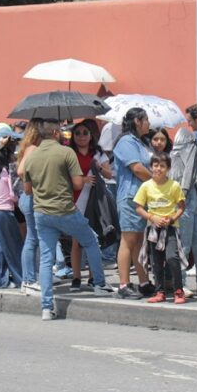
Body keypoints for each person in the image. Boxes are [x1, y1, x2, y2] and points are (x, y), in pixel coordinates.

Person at [23, 120, 115, 320]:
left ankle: (47, 307)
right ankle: (99, 284)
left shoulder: (31, 156)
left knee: (46, 259)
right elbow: (76, 184)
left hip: (42, 212)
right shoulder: (67, 153)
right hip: (65, 209)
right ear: (55, 132)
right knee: (90, 241)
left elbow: (27, 190)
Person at [134, 153, 187, 304]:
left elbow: (182, 207)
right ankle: (160, 291)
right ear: (151, 167)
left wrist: (172, 219)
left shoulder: (174, 186)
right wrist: (152, 218)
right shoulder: (146, 186)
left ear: (168, 168)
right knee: (156, 262)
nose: (158, 169)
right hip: (153, 230)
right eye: (155, 165)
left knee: (172, 257)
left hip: (170, 229)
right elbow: (138, 207)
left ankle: (179, 290)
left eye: (162, 166)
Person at [114, 108, 154, 299]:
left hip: (141, 197)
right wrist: (158, 181)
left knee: (139, 241)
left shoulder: (140, 142)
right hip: (130, 196)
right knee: (128, 240)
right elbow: (137, 168)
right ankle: (123, 285)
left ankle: (144, 282)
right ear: (138, 121)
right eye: (146, 120)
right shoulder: (126, 141)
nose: (149, 123)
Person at [69, 119, 112, 291]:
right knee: (76, 241)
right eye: (77, 133)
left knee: (94, 240)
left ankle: (93, 277)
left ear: (91, 135)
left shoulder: (98, 153)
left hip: (94, 200)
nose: (81, 136)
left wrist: (99, 169)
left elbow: (109, 174)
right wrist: (83, 180)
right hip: (75, 199)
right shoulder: (69, 152)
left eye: (85, 133)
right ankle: (76, 277)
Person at [171, 126, 197, 296]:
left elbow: (191, 170)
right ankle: (180, 283)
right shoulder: (178, 159)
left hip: (193, 200)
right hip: (184, 199)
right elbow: (187, 172)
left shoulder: (184, 153)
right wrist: (185, 190)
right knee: (184, 244)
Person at [0, 126, 23, 289]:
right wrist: (0, 143)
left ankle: (1, 280)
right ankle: (20, 278)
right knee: (13, 246)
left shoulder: (3, 168)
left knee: (0, 246)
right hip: (4, 211)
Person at [16, 120, 43, 294]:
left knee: (33, 239)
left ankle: (30, 279)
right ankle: (29, 280)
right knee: (33, 239)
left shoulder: (29, 147)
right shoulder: (33, 148)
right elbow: (21, 170)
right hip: (30, 196)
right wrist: (31, 182)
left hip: (28, 197)